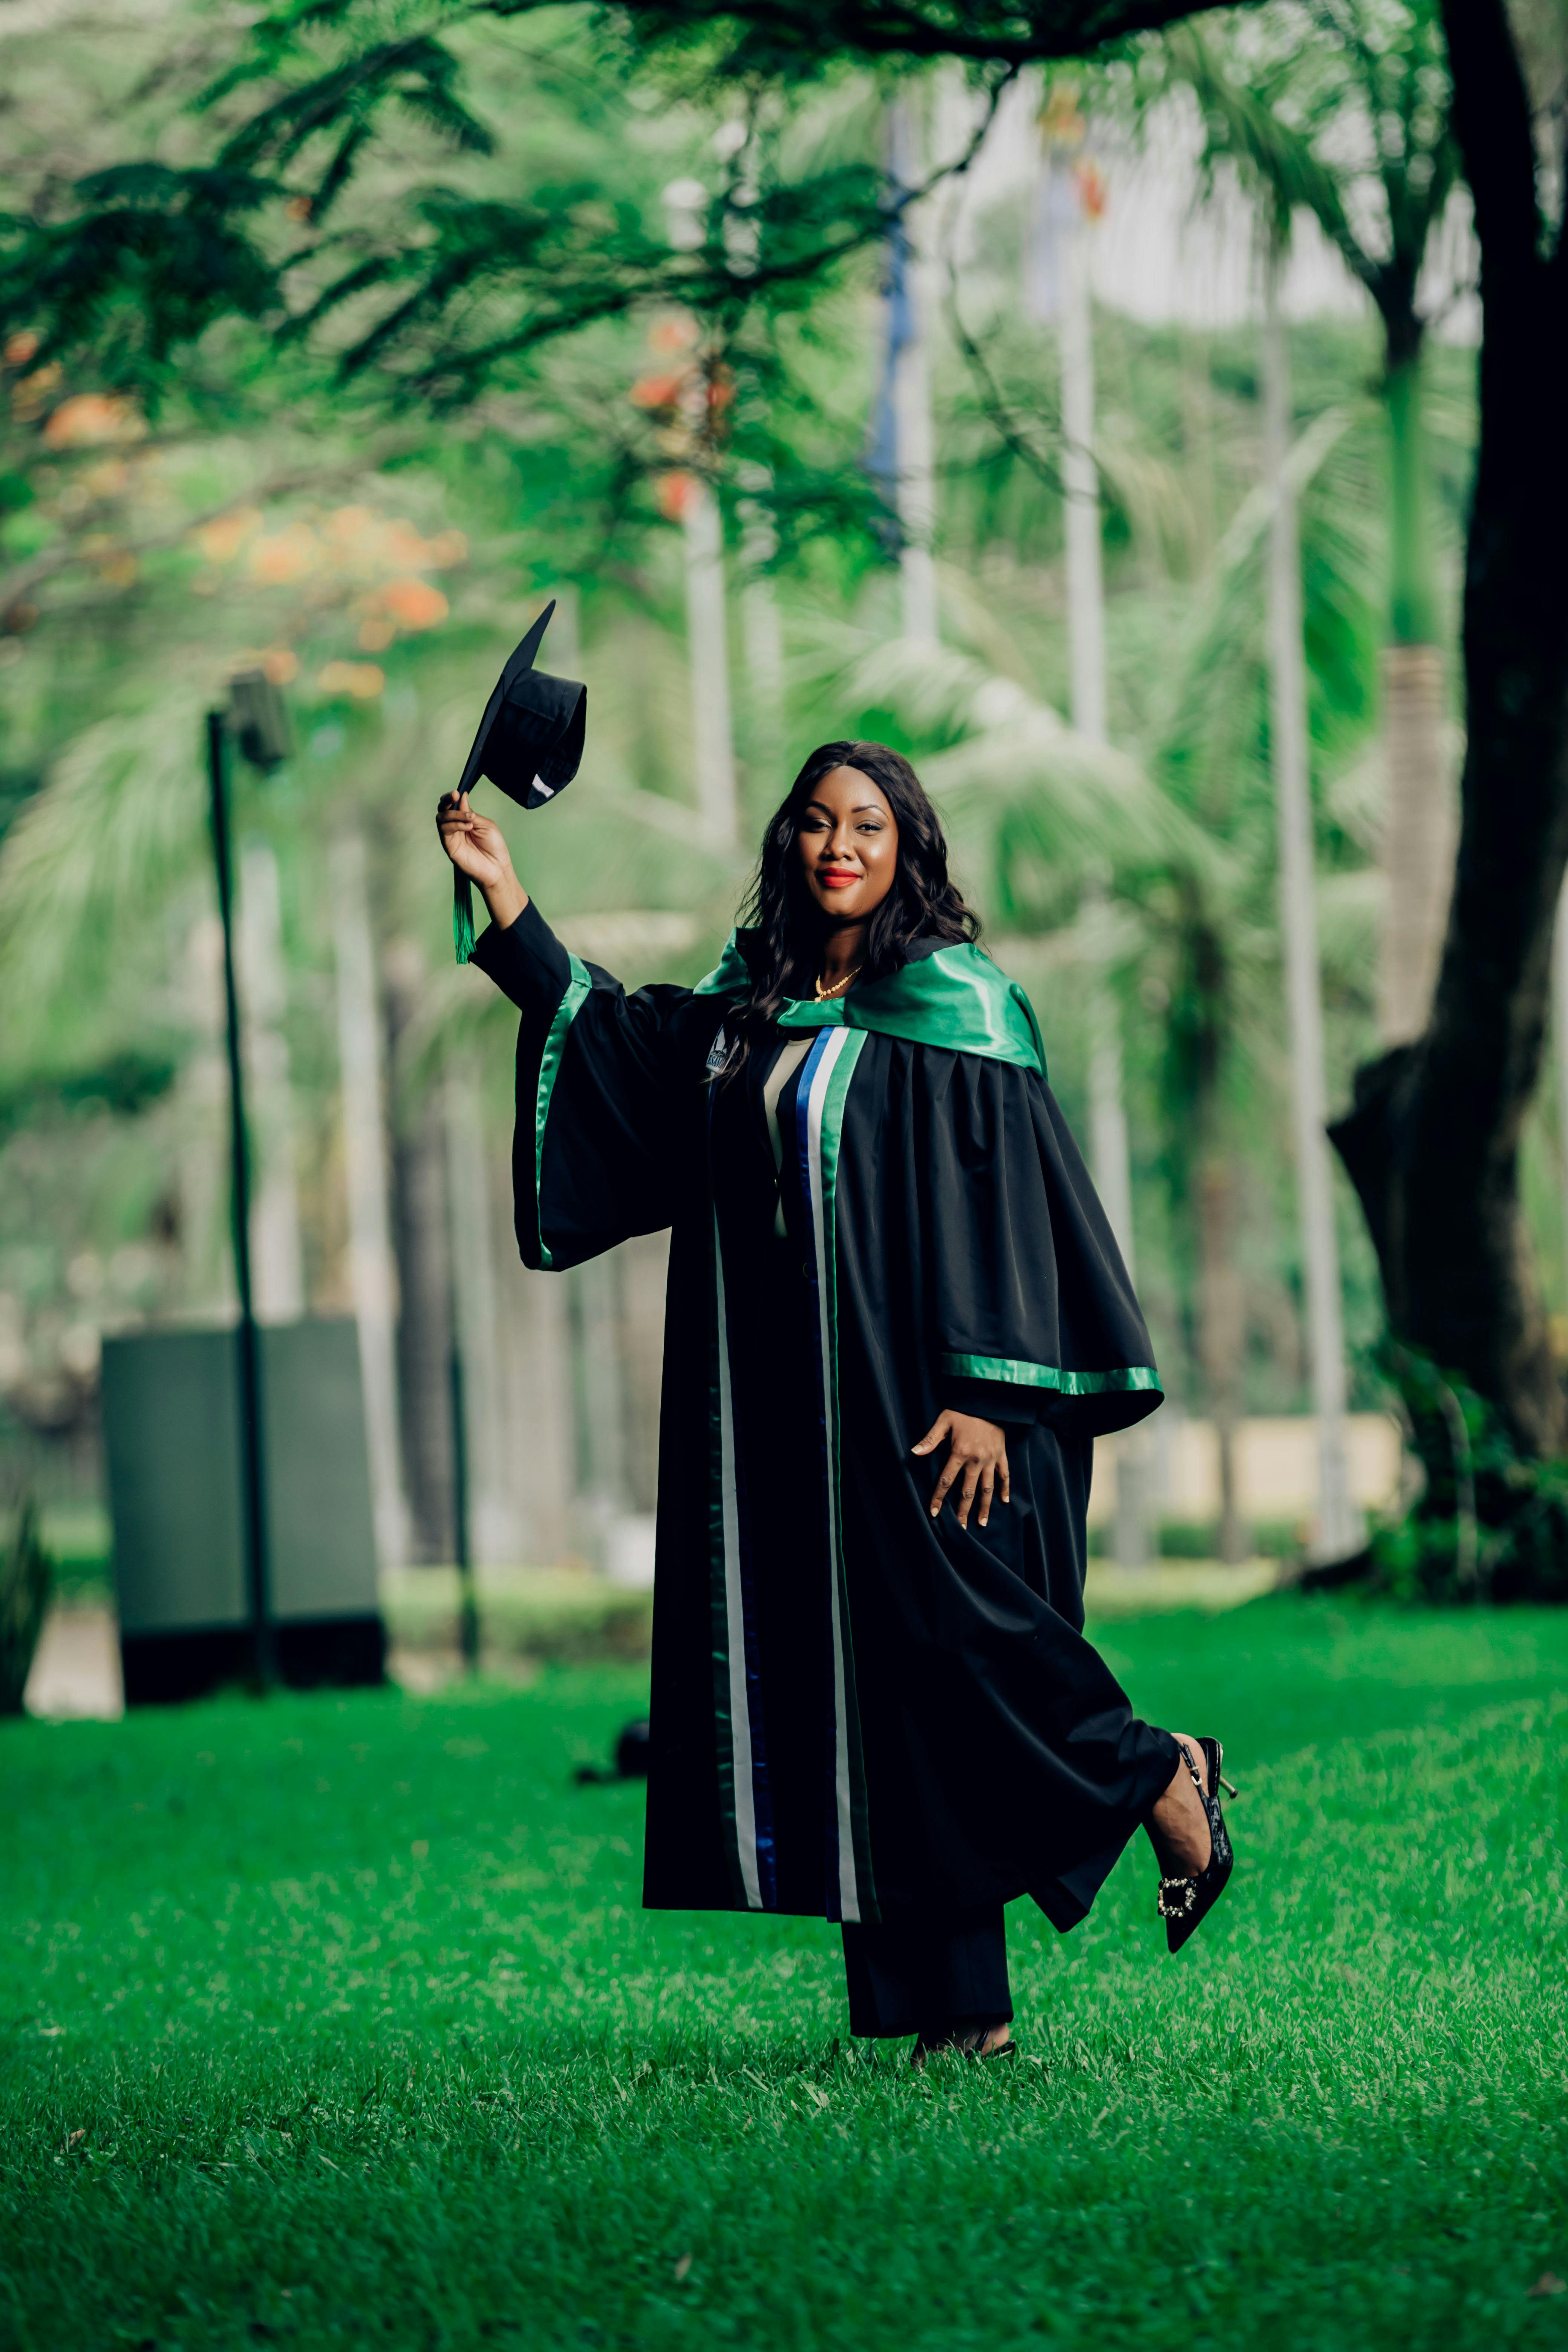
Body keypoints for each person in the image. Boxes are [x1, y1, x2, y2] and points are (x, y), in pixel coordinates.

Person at [437, 740, 1234, 2062]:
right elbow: (626, 1055)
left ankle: (1156, 1771)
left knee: (964, 1647)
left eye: (866, 823)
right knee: (865, 1698)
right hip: (788, 1428)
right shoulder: (752, 1001)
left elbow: (1006, 1201)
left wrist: (988, 1389)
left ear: (906, 845)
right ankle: (956, 2018)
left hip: (932, 1413)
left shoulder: (955, 1005)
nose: (838, 845)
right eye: (815, 823)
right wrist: (507, 897)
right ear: (789, 845)